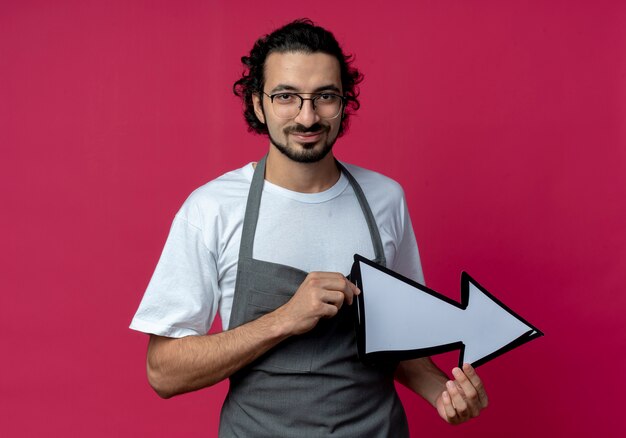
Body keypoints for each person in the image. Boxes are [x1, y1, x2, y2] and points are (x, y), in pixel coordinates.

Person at [130, 18, 488, 437]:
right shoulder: (211, 209)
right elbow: (163, 372)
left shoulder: (385, 199)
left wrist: (443, 393)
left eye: (325, 97)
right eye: (286, 96)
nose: (307, 116)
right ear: (258, 103)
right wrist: (284, 318)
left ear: (344, 102)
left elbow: (396, 342)